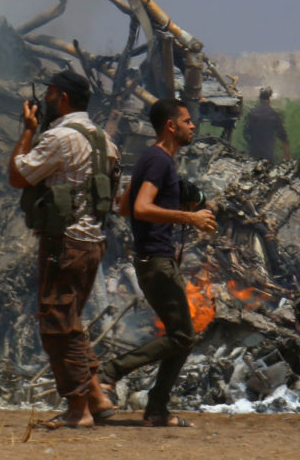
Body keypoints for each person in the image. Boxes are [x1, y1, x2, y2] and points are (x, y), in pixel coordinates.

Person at [8, 69, 121, 428]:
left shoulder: (58, 138)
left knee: (56, 325)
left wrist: (28, 129)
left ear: (65, 99)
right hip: (92, 244)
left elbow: (18, 175)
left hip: (64, 243)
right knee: (69, 321)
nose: (46, 99)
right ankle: (98, 399)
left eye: (51, 93)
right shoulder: (105, 140)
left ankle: (78, 410)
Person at [99, 98, 216, 427]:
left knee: (182, 334)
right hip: (158, 262)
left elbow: (123, 207)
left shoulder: (149, 159)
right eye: (187, 121)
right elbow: (141, 208)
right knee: (182, 337)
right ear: (171, 125)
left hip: (151, 261)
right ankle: (112, 371)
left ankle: (157, 410)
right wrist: (188, 217)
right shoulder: (160, 161)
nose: (193, 126)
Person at [244, 86, 291, 162]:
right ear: (269, 99)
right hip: (268, 150)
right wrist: (285, 147)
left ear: (259, 99)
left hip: (254, 149)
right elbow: (282, 134)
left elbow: (246, 132)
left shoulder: (251, 113)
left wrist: (251, 143)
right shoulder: (274, 114)